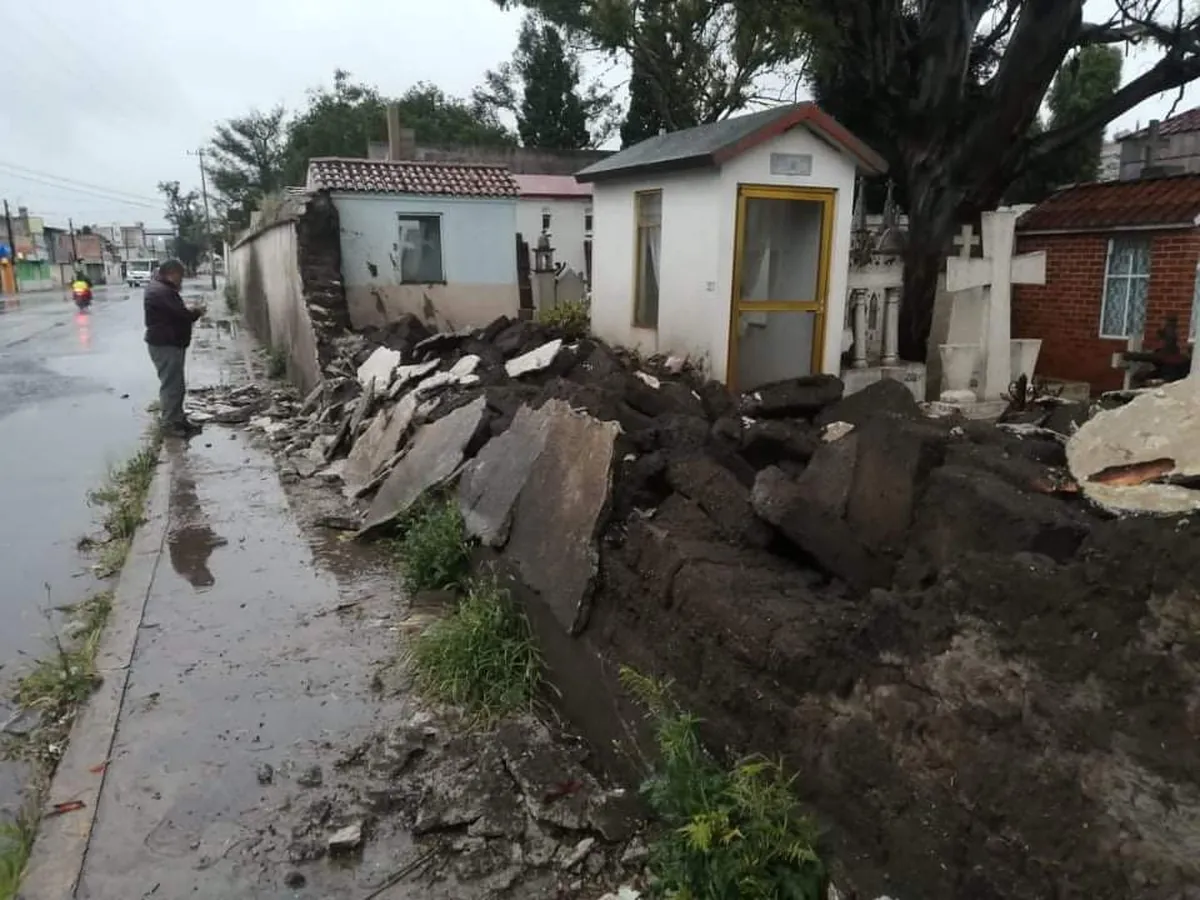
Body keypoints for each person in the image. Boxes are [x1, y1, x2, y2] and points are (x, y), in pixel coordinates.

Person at [144, 259, 205, 437]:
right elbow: (181, 315)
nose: (182, 282)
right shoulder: (161, 291)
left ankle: (178, 420)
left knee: (176, 384)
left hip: (169, 343)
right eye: (181, 277)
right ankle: (170, 424)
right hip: (165, 345)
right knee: (172, 385)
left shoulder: (161, 288)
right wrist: (197, 312)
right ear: (173, 274)